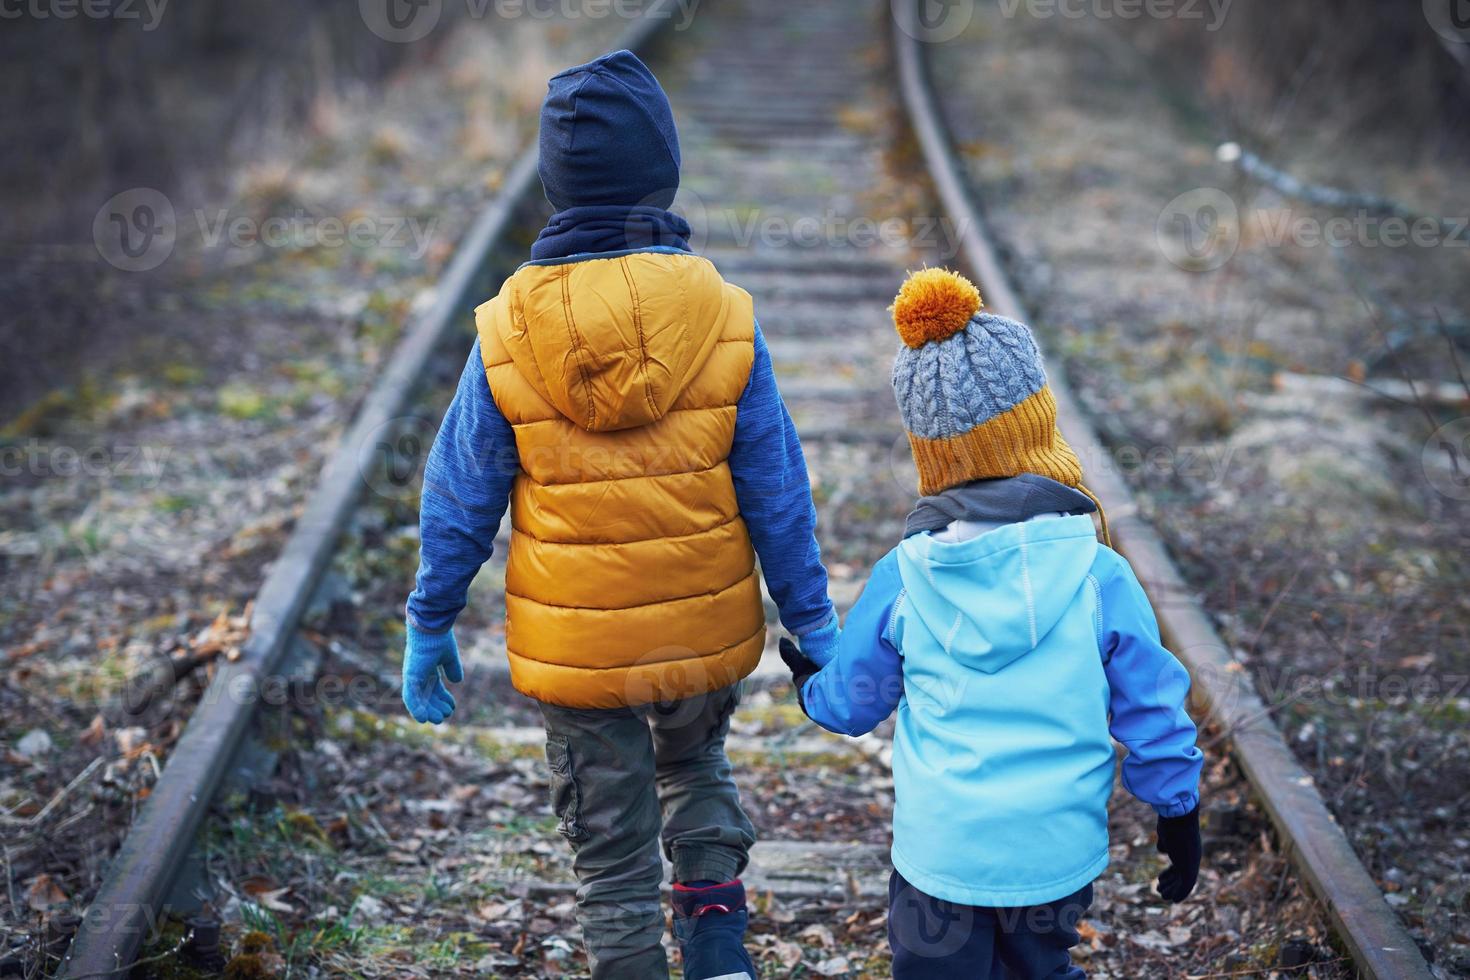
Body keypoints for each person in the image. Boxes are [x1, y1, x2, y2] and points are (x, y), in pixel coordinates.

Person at [399, 49, 838, 980]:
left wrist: (431, 618)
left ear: (554, 186)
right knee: (696, 769)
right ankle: (719, 949)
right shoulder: (721, 315)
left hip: (579, 654)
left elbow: (460, 491)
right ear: (664, 171)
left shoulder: (507, 326)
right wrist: (812, 619)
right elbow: (776, 484)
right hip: (699, 629)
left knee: (609, 850)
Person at [779, 267, 1205, 979]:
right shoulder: (1101, 576)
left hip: (941, 855)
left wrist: (810, 688)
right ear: (1038, 423)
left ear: (931, 453)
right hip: (1055, 853)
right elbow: (1152, 706)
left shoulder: (905, 575)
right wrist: (1177, 808)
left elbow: (854, 703)